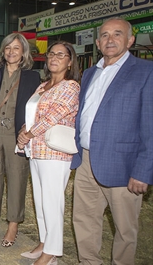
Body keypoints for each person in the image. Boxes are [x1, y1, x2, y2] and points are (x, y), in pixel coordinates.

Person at [71, 17, 153, 265]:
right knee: (84, 220)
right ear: (97, 42)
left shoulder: (145, 71)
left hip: (123, 164)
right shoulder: (90, 73)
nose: (110, 39)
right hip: (86, 160)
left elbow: (150, 124)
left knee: (125, 230)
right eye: (105, 35)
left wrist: (143, 170)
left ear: (130, 40)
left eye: (117, 34)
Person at [17, 41, 80, 265]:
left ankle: (52, 251)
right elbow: (32, 114)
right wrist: (24, 131)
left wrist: (29, 133)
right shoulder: (43, 86)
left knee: (53, 203)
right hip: (36, 150)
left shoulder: (70, 86)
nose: (54, 58)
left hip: (55, 153)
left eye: (61, 55)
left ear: (70, 61)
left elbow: (53, 117)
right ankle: (44, 242)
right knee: (41, 201)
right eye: (51, 54)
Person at [0, 33, 40, 247]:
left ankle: (13, 224)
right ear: (2, 51)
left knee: (17, 178)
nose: (11, 52)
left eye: (16, 48)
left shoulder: (32, 77)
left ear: (23, 52)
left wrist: (28, 129)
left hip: (17, 134)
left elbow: (36, 107)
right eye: (8, 48)